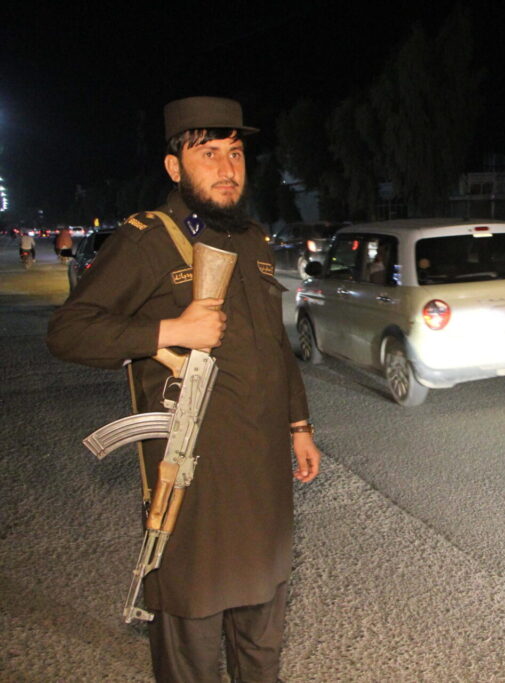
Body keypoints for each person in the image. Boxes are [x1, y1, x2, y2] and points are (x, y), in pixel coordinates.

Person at [47, 96, 321, 682]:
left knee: (262, 622)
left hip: (262, 474)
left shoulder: (253, 238)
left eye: (236, 154)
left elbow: (275, 346)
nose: (227, 168)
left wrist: (299, 425)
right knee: (191, 626)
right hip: (193, 479)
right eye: (208, 154)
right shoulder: (148, 240)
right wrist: (170, 330)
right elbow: (69, 332)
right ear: (175, 167)